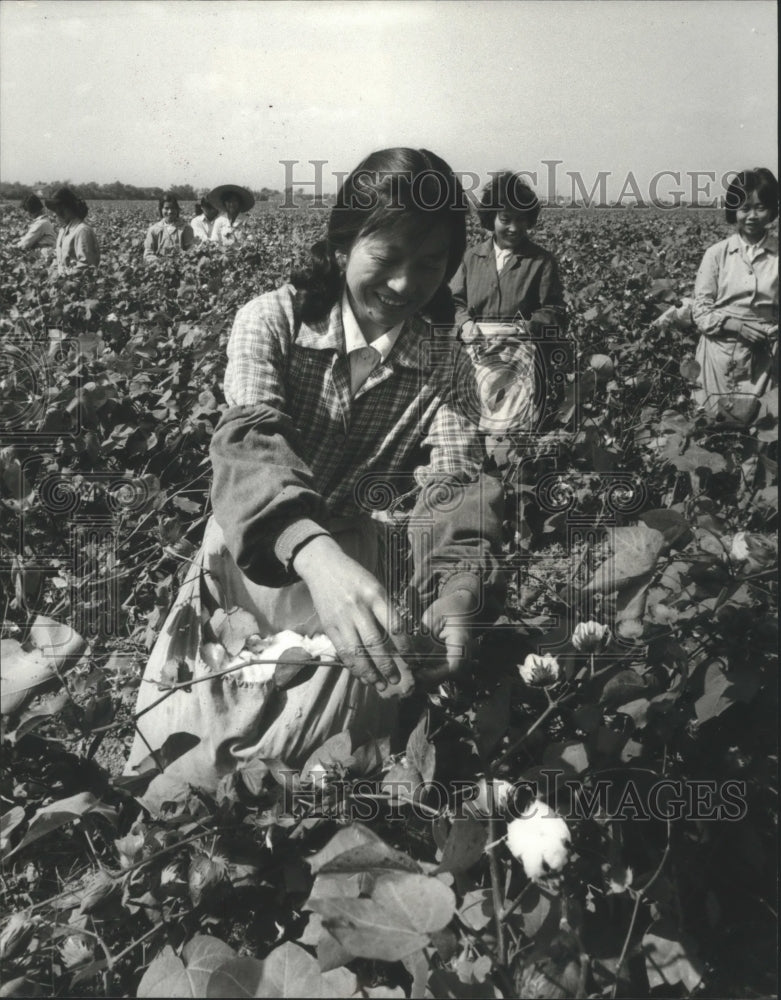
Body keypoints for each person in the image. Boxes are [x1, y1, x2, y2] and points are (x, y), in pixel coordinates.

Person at [126, 148, 504, 798]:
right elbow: (249, 443)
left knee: (323, 773)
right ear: (341, 243)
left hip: (359, 572)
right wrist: (314, 554)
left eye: (430, 264)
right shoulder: (270, 321)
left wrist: (455, 589)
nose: (405, 284)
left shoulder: (445, 362)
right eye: (386, 258)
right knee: (189, 758)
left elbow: (455, 483)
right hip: (254, 551)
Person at [450, 172, 568, 436]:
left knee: (510, 432)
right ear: (491, 218)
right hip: (475, 352)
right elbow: (454, 302)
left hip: (519, 354)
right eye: (506, 219)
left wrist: (520, 330)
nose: (514, 228)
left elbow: (554, 311)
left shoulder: (541, 261)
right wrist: (466, 325)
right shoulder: (471, 258)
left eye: (521, 220)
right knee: (470, 428)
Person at [692, 167, 778, 419]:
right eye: (744, 208)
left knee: (760, 436)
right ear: (734, 211)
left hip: (767, 358)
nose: (752, 216)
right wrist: (735, 325)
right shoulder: (716, 254)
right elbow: (700, 309)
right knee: (718, 432)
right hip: (720, 355)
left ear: (772, 210)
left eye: (760, 207)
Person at [45, 187, 100, 275]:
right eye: (54, 210)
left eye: (57, 209)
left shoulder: (82, 231)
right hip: (63, 282)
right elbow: (59, 261)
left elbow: (87, 266)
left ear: (68, 208)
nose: (55, 214)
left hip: (78, 285)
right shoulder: (63, 231)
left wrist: (65, 279)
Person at [143, 193, 195, 262]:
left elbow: (191, 250)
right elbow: (148, 253)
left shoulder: (186, 228)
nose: (170, 211)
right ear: (161, 209)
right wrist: (159, 262)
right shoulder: (154, 230)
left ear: (177, 209)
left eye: (173, 208)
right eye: (166, 208)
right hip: (158, 267)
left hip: (181, 265)